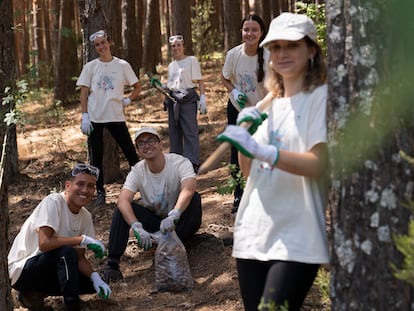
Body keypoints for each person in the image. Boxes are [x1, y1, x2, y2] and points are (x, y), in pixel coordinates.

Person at [217, 12, 329, 311]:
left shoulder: (320, 97)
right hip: (254, 231)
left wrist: (267, 151)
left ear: (311, 50)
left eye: (291, 46)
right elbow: (251, 172)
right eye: (276, 47)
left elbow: (319, 165)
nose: (282, 53)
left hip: (298, 233)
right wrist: (244, 138)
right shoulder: (268, 104)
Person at [100, 126, 202, 282]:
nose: (147, 145)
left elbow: (188, 188)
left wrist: (175, 213)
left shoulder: (179, 162)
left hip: (180, 221)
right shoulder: (138, 171)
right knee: (122, 210)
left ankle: (169, 244)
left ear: (161, 144)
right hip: (157, 224)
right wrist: (136, 226)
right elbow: (123, 200)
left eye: (151, 140)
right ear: (138, 151)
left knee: (194, 198)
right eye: (141, 143)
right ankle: (112, 266)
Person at [8, 163, 111, 311]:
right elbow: (44, 243)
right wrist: (81, 239)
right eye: (80, 184)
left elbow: (80, 257)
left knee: (90, 281)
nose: (85, 190)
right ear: (68, 185)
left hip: (49, 266)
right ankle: (72, 306)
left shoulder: (85, 216)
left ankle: (33, 294)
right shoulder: (54, 201)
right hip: (21, 271)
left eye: (90, 186)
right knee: (66, 253)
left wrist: (95, 277)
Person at [76, 29, 141, 206]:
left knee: (130, 153)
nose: (101, 47)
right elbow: (83, 93)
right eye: (97, 45)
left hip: (116, 115)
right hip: (95, 117)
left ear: (110, 43)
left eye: (103, 43)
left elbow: (137, 86)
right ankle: (100, 193)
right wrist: (84, 116)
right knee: (96, 158)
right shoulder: (90, 67)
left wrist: (129, 99)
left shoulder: (122, 65)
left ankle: (143, 187)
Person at [221, 14, 269, 213]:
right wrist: (234, 91)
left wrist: (262, 110)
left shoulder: (268, 55)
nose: (250, 33)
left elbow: (275, 87)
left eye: (254, 30)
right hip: (237, 110)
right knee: (237, 152)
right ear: (241, 31)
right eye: (246, 29)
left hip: (261, 110)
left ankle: (262, 192)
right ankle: (239, 194)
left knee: (261, 150)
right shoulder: (234, 54)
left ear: (261, 33)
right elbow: (225, 78)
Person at [151, 34, 206, 173]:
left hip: (187, 99)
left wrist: (203, 97)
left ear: (183, 46)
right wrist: (161, 85)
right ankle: (176, 163)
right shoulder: (171, 65)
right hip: (173, 99)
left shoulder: (191, 60)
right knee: (174, 132)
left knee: (190, 131)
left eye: (178, 45)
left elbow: (199, 80)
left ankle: (192, 163)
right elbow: (172, 84)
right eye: (173, 46)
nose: (176, 48)